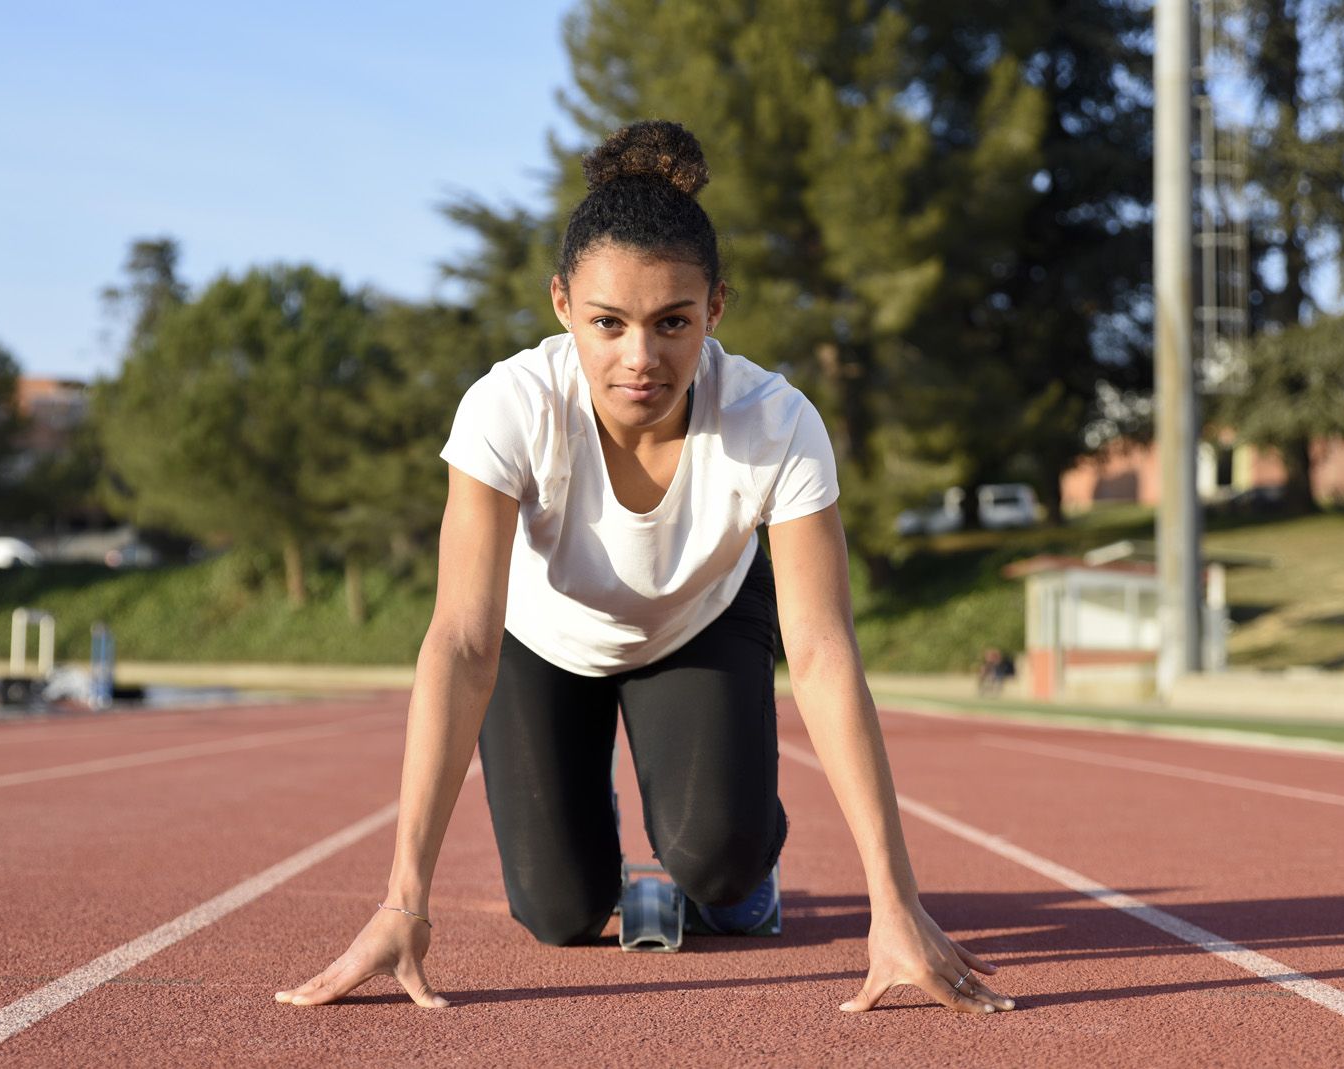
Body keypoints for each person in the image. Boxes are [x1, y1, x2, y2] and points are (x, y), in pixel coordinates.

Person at [275, 120, 1015, 1016]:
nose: (641, 358)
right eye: (608, 323)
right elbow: (463, 640)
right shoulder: (507, 409)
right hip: (544, 637)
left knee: (719, 866)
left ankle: (740, 839)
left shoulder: (776, 424)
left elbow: (822, 651)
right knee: (558, 911)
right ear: (561, 305)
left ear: (717, 308)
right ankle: (601, 831)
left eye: (673, 322)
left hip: (700, 623)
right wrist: (405, 901)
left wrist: (896, 904)